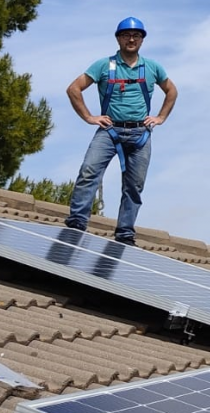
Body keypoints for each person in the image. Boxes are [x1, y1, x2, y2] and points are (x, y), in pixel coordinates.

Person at [64, 16, 178, 246]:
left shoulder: (152, 67)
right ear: (118, 38)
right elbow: (74, 88)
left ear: (142, 40)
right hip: (109, 130)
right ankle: (77, 221)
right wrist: (89, 117)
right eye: (126, 35)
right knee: (89, 172)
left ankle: (125, 232)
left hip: (140, 133)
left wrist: (161, 117)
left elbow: (172, 91)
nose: (131, 39)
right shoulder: (103, 66)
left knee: (134, 185)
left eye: (136, 35)